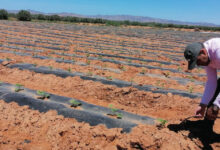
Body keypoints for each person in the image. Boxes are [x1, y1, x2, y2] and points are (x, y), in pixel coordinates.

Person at [184, 38, 220, 131]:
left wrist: (216, 105)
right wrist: (203, 105)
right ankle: (206, 127)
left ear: (203, 52)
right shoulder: (206, 57)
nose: (198, 65)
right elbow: (212, 82)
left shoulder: (218, 50)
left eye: (198, 61)